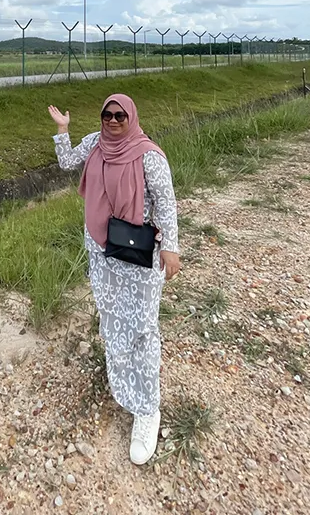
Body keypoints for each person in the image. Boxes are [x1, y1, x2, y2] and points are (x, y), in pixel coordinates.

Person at [48, 93, 180, 465]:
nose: (113, 120)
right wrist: (63, 131)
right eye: (108, 114)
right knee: (111, 317)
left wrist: (171, 246)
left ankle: (147, 408)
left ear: (132, 117)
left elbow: (166, 202)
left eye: (121, 115)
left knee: (141, 325)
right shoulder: (94, 143)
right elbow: (66, 162)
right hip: (100, 248)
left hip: (137, 252)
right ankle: (122, 385)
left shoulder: (147, 154)